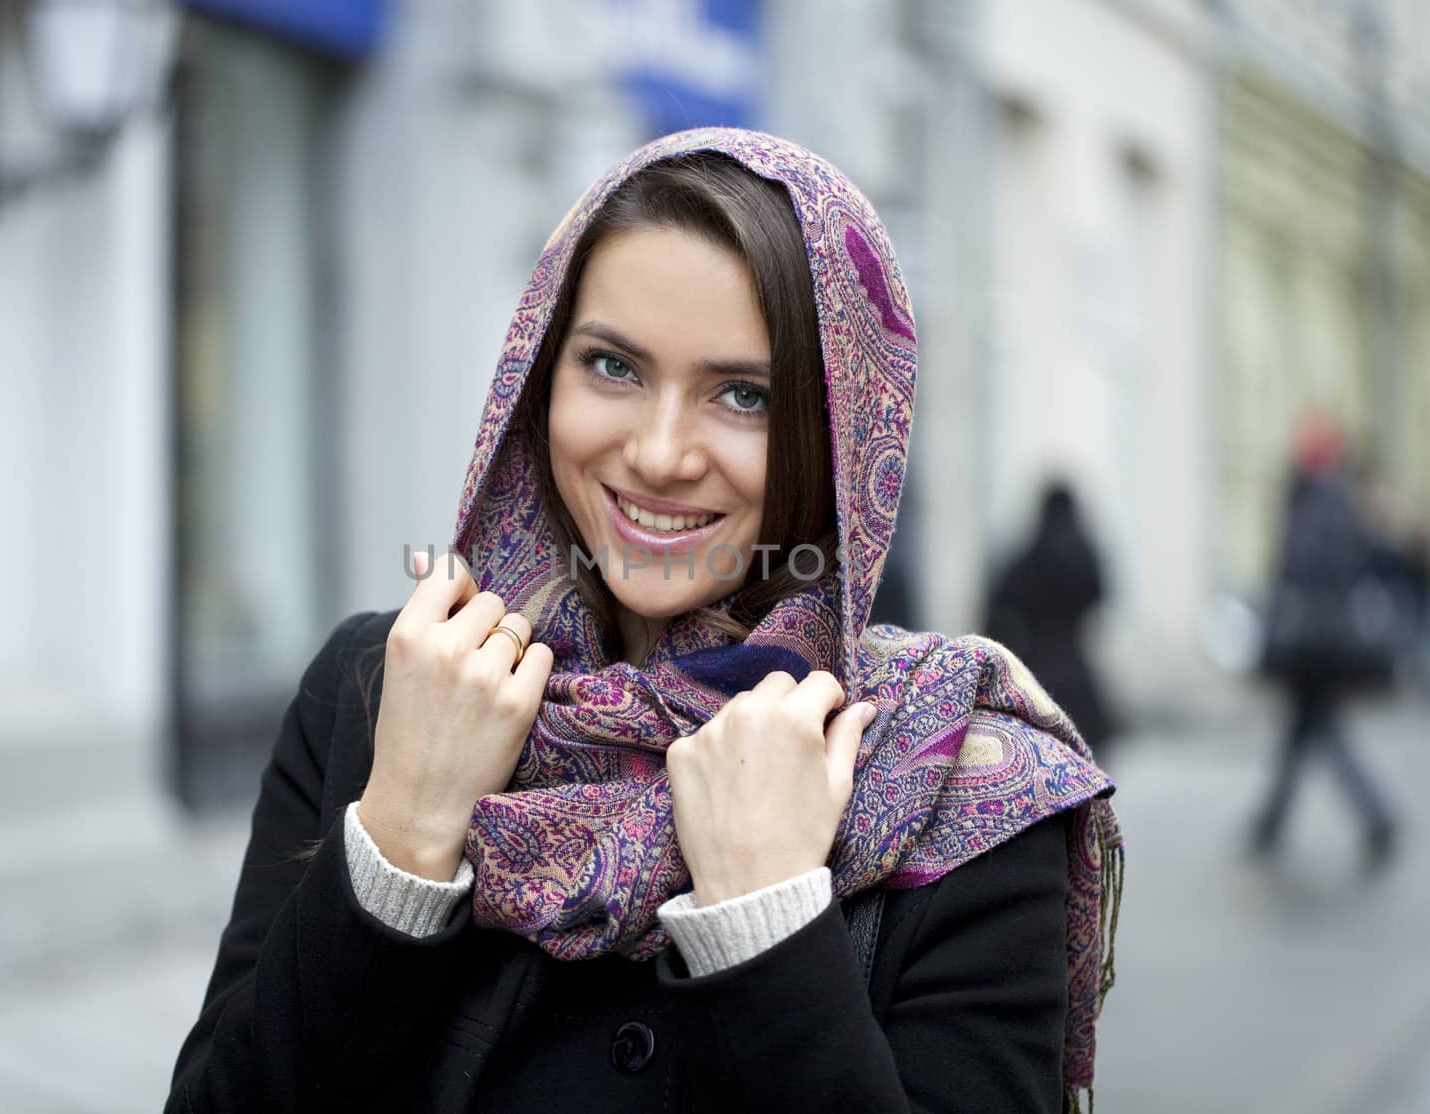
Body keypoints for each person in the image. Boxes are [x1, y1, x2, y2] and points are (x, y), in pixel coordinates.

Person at [165, 129, 1122, 1114]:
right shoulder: (389, 688)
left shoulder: (954, 782)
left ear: (839, 431)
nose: (660, 453)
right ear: (539, 380)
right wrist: (402, 839)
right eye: (613, 367)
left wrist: (765, 921)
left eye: (742, 395)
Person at [1252, 419, 1400, 869]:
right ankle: (1270, 824)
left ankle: (1375, 816)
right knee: (1306, 732)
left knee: (1319, 732)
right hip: (1325, 643)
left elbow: (1300, 570)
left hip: (1313, 645)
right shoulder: (1339, 501)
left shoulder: (1317, 502)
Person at [984, 482, 1119, 758]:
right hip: (1075, 663)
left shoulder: (1026, 556)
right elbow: (1101, 595)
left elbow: (999, 605)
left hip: (1037, 665)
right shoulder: (1084, 555)